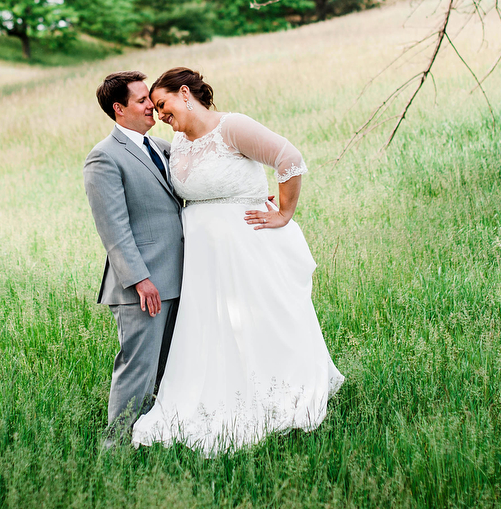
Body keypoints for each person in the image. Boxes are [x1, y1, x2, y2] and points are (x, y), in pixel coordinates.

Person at [131, 67, 344, 455]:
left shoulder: (232, 127)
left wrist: (283, 213)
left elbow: (289, 158)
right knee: (213, 328)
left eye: (162, 104)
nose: (160, 114)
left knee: (261, 321)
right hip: (202, 257)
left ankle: (278, 390)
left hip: (246, 247)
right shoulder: (177, 142)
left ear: (184, 93)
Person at [83, 71, 184, 448]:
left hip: (178, 277)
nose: (151, 106)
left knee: (167, 370)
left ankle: (153, 439)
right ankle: (115, 449)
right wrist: (140, 280)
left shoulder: (158, 146)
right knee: (137, 371)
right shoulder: (103, 158)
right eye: (142, 100)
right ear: (119, 109)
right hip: (143, 287)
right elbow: (114, 229)